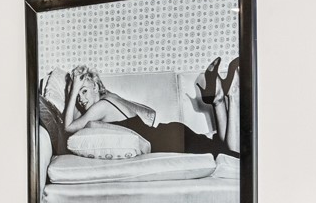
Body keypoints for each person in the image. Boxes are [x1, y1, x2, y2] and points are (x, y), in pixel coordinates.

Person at [59, 63, 234, 155]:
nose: (80, 99)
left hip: (167, 140)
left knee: (227, 153)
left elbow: (68, 128)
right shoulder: (110, 98)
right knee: (220, 147)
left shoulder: (100, 107)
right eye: (77, 95)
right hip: (170, 132)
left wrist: (72, 91)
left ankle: (231, 95)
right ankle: (217, 98)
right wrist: (74, 92)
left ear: (95, 87)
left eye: (83, 91)